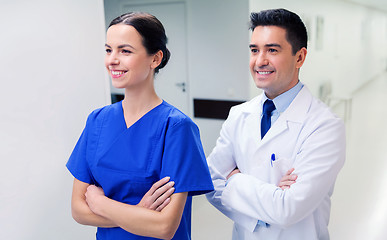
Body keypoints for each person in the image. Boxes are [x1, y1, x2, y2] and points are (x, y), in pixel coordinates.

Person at [66, 12, 214, 240]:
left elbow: (165, 227)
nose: (112, 60)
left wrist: (100, 202)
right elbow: (78, 210)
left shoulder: (176, 127)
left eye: (125, 51)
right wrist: (139, 212)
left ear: (155, 59)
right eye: (108, 50)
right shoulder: (97, 121)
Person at [205, 8, 345, 240]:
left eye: (272, 50)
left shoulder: (325, 126)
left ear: (299, 57)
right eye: (254, 50)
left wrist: (234, 180)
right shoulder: (239, 115)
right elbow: (210, 182)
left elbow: (288, 210)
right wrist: (267, 203)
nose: (260, 61)